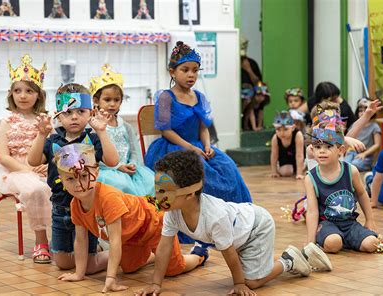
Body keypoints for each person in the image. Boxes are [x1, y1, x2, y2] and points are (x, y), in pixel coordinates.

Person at [135, 150, 332, 296]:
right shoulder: (173, 211)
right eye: (157, 189)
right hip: (239, 230)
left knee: (251, 282)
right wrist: (156, 284)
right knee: (246, 272)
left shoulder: (214, 217)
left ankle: (289, 261)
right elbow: (164, 248)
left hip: (257, 228)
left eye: (163, 192)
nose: (157, 196)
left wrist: (239, 284)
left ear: (188, 194)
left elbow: (228, 252)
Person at [55, 144, 206, 293]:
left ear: (96, 171)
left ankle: (199, 253)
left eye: (83, 176)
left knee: (174, 269)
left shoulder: (108, 198)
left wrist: (110, 278)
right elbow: (81, 240)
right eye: (70, 179)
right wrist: (78, 274)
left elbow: (114, 241)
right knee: (129, 268)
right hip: (132, 235)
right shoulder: (75, 204)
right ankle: (157, 255)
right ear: (61, 180)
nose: (79, 184)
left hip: (153, 221)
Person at [144, 41, 252, 205]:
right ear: (172, 72)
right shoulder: (166, 97)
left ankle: (228, 216)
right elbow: (166, 131)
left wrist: (207, 145)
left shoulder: (199, 97)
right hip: (174, 146)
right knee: (199, 171)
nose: (191, 75)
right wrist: (191, 148)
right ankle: (195, 218)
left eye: (195, 70)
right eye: (185, 70)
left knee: (228, 167)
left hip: (198, 146)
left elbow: (203, 128)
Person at [27, 82, 119, 271]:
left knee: (88, 266)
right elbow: (33, 161)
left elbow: (112, 161)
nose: (74, 117)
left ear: (90, 112)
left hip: (87, 208)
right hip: (61, 207)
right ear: (59, 115)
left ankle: (121, 253)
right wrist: (41, 135)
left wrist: (102, 132)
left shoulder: (92, 139)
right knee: (62, 263)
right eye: (68, 113)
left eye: (80, 112)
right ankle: (96, 249)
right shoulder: (53, 140)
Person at [0, 54, 52, 263]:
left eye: (29, 91)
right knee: (37, 189)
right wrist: (27, 170)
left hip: (40, 168)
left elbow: (49, 151)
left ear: (39, 94)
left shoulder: (43, 119)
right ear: (11, 94)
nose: (23, 96)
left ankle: (71, 237)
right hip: (14, 171)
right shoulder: (8, 120)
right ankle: (41, 241)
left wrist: (46, 165)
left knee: (73, 184)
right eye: (17, 90)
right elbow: (2, 156)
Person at [304, 116, 379, 254]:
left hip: (350, 223)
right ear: (312, 150)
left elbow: (362, 194)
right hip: (327, 224)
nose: (322, 151)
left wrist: (370, 220)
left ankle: (348, 239)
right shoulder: (310, 178)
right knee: (334, 243)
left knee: (372, 244)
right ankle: (332, 240)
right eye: (318, 147)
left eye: (328, 146)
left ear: (340, 150)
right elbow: (313, 211)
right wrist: (310, 242)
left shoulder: (351, 171)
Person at [89, 64, 155, 196]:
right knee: (121, 185)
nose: (112, 104)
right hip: (107, 171)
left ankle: (147, 215)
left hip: (129, 169)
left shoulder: (125, 126)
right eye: (107, 100)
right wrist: (118, 167)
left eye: (116, 100)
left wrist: (133, 164)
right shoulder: (93, 126)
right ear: (96, 100)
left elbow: (134, 150)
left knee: (152, 182)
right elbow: (93, 155)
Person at [344, 98, 381, 172]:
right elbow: (348, 139)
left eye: (366, 109)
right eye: (360, 111)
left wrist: (364, 154)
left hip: (366, 156)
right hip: (351, 152)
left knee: (354, 165)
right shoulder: (354, 125)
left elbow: (377, 145)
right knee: (345, 165)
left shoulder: (374, 126)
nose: (363, 113)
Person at [269, 111, 305, 179]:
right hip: (284, 158)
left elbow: (299, 155)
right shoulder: (275, 138)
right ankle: (280, 166)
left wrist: (299, 173)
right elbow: (274, 156)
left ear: (293, 128)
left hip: (297, 157)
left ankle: (301, 167)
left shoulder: (298, 135)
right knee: (286, 172)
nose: (282, 133)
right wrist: (274, 172)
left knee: (305, 168)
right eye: (278, 130)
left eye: (285, 129)